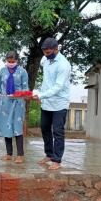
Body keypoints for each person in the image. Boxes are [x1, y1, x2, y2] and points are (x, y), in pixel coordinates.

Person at [0, 51, 29, 164]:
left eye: (13, 61)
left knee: (17, 128)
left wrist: (18, 93)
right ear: (6, 61)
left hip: (17, 103)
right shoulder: (2, 71)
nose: (11, 63)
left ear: (17, 61)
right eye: (9, 61)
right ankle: (9, 154)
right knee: (6, 128)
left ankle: (20, 155)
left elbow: (26, 89)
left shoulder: (23, 72)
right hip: (5, 103)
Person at [33, 37, 71, 170]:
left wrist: (41, 95)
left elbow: (58, 86)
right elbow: (47, 80)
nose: (46, 55)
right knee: (44, 128)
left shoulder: (63, 65)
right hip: (47, 102)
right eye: (44, 52)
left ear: (56, 49)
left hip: (60, 103)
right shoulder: (45, 59)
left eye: (49, 53)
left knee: (58, 132)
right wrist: (41, 94)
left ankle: (57, 160)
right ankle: (49, 154)